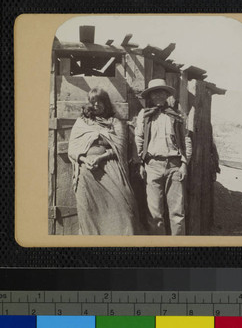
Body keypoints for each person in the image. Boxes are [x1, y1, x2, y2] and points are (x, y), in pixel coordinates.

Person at [68, 87, 138, 235]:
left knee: (125, 209)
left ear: (106, 103)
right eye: (93, 102)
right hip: (87, 171)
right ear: (89, 104)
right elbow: (72, 149)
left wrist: (100, 157)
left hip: (110, 168)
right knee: (89, 212)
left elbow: (121, 148)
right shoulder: (82, 122)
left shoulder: (115, 122)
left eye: (100, 101)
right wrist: (84, 159)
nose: (97, 105)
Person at [135, 79, 192, 235]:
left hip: (174, 166)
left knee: (177, 213)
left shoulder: (177, 115)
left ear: (167, 95)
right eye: (155, 92)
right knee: (154, 215)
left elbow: (186, 139)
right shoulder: (144, 115)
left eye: (161, 92)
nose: (158, 95)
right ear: (150, 96)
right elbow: (138, 139)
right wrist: (141, 163)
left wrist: (184, 164)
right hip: (152, 166)